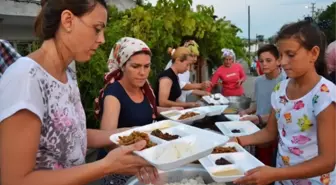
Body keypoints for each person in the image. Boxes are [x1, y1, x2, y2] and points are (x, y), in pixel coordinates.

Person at [0, 1, 158, 185]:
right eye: (97, 29)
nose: (102, 39)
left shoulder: (67, 74)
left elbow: (72, 134)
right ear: (68, 21)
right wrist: (107, 166)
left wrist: (129, 133)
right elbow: (14, 180)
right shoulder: (26, 77)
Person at [233, 20, 336, 185]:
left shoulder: (324, 95)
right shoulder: (280, 90)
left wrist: (275, 174)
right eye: (280, 55)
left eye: (291, 54)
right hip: (283, 179)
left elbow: (327, 161)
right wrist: (238, 141)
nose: (282, 62)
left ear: (314, 54)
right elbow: (270, 132)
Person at [95, 37, 182, 185]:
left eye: (146, 66)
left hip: (145, 159)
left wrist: (169, 110)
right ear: (122, 66)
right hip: (120, 170)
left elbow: (146, 109)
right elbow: (108, 142)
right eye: (135, 66)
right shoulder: (114, 94)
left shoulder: (143, 89)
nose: (142, 72)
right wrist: (144, 150)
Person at [239, 44, 285, 166]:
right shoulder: (258, 81)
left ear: (278, 61)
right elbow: (257, 105)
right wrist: (246, 112)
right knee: (259, 162)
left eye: (268, 60)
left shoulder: (285, 81)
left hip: (277, 132)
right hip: (258, 128)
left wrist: (259, 118)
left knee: (273, 164)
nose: (264, 64)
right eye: (261, 61)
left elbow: (282, 112)